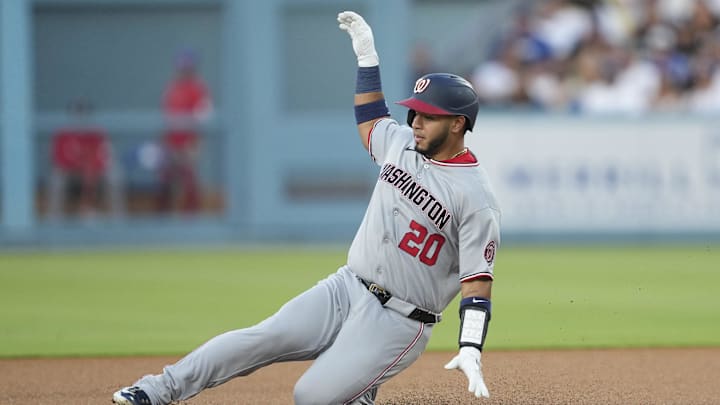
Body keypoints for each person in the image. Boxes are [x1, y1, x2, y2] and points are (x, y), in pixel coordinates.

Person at [112, 10, 500, 405]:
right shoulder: (401, 143)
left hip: (401, 320)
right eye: (414, 111)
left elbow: (477, 282)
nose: (416, 120)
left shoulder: (475, 197)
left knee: (310, 396)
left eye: (429, 115)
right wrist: (367, 59)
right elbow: (370, 118)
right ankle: (157, 389)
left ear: (457, 124)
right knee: (260, 339)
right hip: (347, 286)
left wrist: (470, 346)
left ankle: (357, 391)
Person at [156, 48, 213, 214]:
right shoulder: (172, 87)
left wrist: (195, 143)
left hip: (189, 142)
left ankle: (192, 217)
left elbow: (203, 117)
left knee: (189, 180)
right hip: (170, 141)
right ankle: (162, 218)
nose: (184, 70)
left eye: (187, 67)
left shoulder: (199, 88)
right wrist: (162, 140)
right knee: (165, 179)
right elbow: (165, 114)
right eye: (181, 67)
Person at [47, 99, 123, 220]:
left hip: (94, 173)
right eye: (77, 113)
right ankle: (54, 219)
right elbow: (59, 160)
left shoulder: (97, 133)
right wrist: (81, 166)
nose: (80, 116)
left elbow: (105, 157)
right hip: (71, 174)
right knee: (57, 177)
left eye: (84, 113)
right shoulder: (63, 133)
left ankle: (118, 219)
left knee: (114, 174)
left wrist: (90, 169)